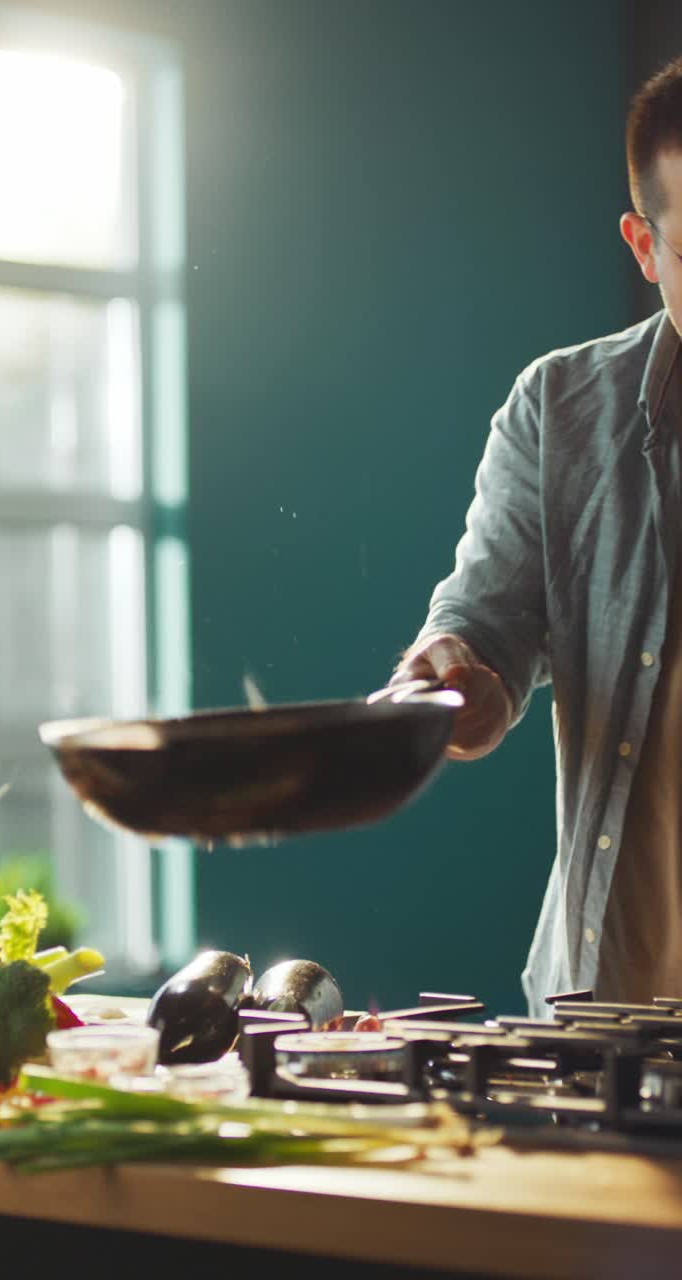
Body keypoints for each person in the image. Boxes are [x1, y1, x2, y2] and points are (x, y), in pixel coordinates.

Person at [390, 55, 682, 1019]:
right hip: (613, 1013)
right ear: (646, 246)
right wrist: (454, 679)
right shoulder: (559, 412)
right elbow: (486, 629)